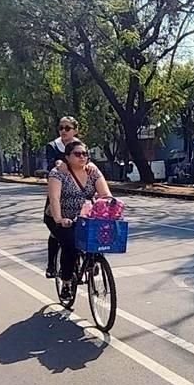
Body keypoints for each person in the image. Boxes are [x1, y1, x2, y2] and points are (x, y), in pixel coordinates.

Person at [46, 140, 112, 300]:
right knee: (70, 245)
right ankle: (67, 282)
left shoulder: (93, 171)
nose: (82, 157)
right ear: (67, 157)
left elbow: (105, 194)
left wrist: (109, 205)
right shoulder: (57, 173)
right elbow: (54, 199)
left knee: (98, 238)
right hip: (61, 216)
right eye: (77, 154)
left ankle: (92, 260)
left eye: (85, 154)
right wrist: (60, 219)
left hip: (85, 216)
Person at [43, 116, 96, 278]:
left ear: (75, 130)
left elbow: (90, 166)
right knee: (58, 233)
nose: (63, 131)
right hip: (59, 196)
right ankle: (52, 265)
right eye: (61, 128)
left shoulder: (82, 147)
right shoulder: (53, 146)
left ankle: (90, 262)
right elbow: (53, 164)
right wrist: (59, 164)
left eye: (67, 128)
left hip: (80, 201)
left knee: (93, 230)